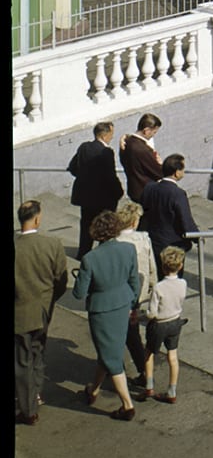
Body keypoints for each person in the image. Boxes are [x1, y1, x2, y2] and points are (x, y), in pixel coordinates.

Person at [72, 209, 141, 420]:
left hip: (101, 310)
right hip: (123, 303)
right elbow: (134, 281)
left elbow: (78, 293)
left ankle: (127, 406)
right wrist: (132, 302)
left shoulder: (90, 259)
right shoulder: (129, 250)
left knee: (111, 356)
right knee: (110, 350)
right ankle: (93, 390)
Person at [14, 200, 70, 426]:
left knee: (21, 360)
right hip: (44, 310)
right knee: (37, 353)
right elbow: (61, 281)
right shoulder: (53, 244)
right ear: (37, 218)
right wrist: (50, 300)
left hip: (19, 312)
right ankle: (35, 395)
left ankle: (27, 409)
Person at [113, 202, 156, 388]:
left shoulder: (114, 241)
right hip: (137, 292)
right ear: (134, 221)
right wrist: (152, 285)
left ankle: (115, 369)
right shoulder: (144, 238)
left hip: (117, 293)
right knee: (133, 334)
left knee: (115, 334)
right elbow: (151, 265)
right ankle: (142, 370)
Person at [69, 120, 123, 260]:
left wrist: (85, 180)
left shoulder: (84, 147)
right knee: (104, 226)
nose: (112, 136)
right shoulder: (106, 152)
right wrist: (119, 192)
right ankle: (102, 255)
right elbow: (110, 176)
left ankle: (83, 253)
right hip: (103, 198)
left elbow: (73, 167)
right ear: (105, 135)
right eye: (111, 133)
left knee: (86, 224)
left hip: (86, 196)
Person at [140, 246, 187, 404]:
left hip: (159, 324)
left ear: (162, 266)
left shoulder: (159, 287)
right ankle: (172, 391)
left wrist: (144, 315)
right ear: (180, 266)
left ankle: (149, 385)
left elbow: (152, 312)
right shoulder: (183, 283)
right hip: (175, 322)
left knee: (149, 353)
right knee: (172, 356)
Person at [139, 154, 199, 255]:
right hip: (173, 244)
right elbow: (185, 219)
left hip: (153, 240)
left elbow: (144, 210)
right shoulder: (178, 194)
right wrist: (197, 237)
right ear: (176, 172)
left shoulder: (149, 187)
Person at [118, 114, 162, 203]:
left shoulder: (126, 143)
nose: (153, 136)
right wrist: (160, 164)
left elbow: (123, 161)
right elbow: (159, 172)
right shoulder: (142, 149)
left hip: (133, 189)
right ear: (146, 130)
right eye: (154, 132)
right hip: (146, 192)